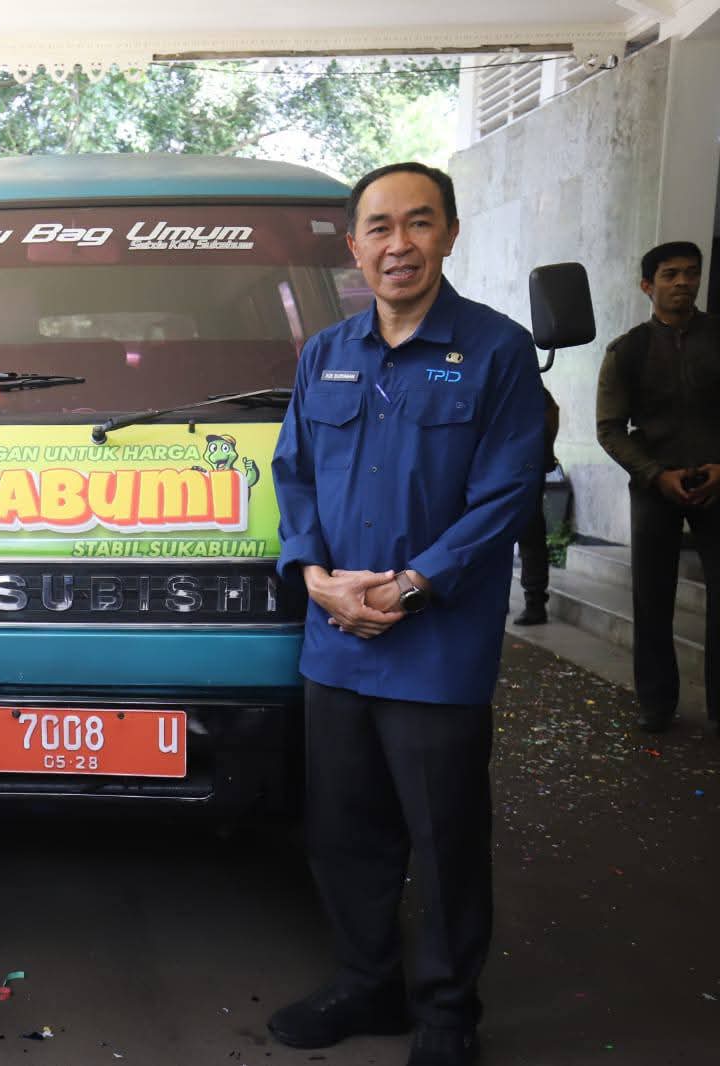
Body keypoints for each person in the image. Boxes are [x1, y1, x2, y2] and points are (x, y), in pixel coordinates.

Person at [268, 162, 545, 1066]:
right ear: (354, 248)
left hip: (437, 646)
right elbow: (295, 475)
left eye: (418, 224)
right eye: (379, 228)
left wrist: (413, 585)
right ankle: (365, 984)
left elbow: (506, 495)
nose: (399, 244)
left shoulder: (497, 353)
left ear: (450, 235)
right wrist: (312, 572)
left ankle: (446, 1011)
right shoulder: (325, 354)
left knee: (446, 836)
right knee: (346, 831)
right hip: (335, 642)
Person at [595, 241, 720, 735]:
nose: (683, 283)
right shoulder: (629, 350)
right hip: (655, 486)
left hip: (717, 484)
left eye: (691, 273)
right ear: (648, 286)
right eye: (670, 275)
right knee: (652, 598)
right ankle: (656, 703)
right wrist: (654, 474)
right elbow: (609, 428)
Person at [513, 387, 560, 625]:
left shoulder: (527, 383)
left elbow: (550, 415)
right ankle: (534, 602)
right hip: (521, 466)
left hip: (524, 467)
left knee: (530, 534)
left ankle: (535, 602)